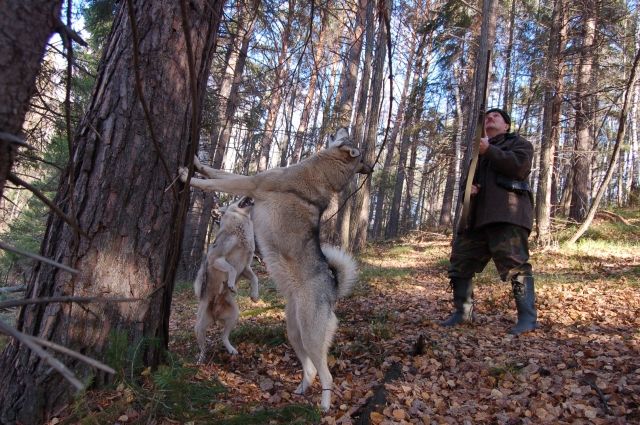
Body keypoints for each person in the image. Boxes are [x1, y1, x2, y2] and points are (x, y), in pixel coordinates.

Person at [441, 108, 537, 335]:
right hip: (475, 220)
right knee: (460, 263)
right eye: (487, 117)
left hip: (506, 215)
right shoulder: (478, 154)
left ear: (506, 125)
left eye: (495, 117)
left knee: (516, 266)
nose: (489, 119)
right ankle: (462, 313)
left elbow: (519, 168)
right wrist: (469, 189)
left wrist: (489, 150)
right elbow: (468, 183)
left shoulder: (519, 144)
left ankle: (527, 319)